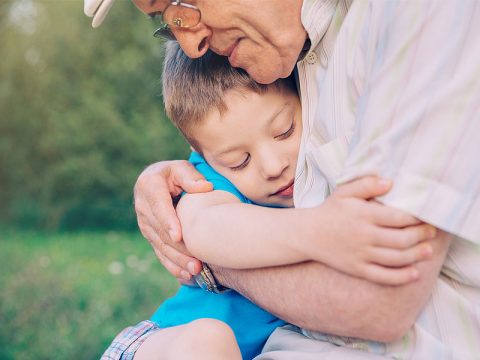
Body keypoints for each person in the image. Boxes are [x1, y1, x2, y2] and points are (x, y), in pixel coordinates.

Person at [86, 0, 480, 358]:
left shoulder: (407, 23)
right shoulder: (280, 54)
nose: (273, 165)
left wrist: (216, 266)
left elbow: (379, 303)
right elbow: (203, 225)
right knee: (207, 342)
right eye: (168, 22)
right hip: (164, 341)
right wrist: (320, 230)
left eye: (284, 132)